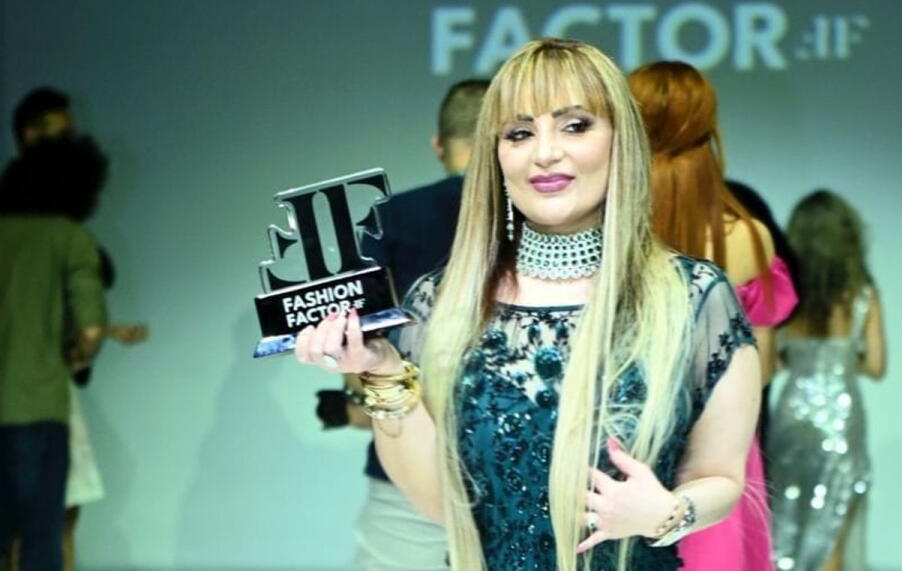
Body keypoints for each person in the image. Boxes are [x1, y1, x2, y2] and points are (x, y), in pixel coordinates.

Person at [292, 38, 762, 571]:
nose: (544, 153)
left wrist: (668, 514)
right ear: (496, 156)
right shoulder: (441, 304)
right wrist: (380, 370)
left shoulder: (693, 297)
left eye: (575, 125)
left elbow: (721, 477)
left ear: (622, 140)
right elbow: (442, 505)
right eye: (519, 133)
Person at [628, 61, 798, 571]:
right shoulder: (747, 237)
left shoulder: (609, 235)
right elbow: (759, 370)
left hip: (627, 440)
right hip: (718, 454)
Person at [334, 78, 488, 570]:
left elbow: (358, 332)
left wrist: (362, 403)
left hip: (409, 452)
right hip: (517, 465)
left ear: (439, 144)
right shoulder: (538, 217)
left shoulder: (392, 218)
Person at [0, 136, 108, 571]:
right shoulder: (68, 238)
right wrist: (75, 354)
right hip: (36, 408)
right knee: (40, 543)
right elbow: (91, 330)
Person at [767, 190, 887, 571]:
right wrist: (844, 358)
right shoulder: (862, 294)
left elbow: (771, 361)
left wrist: (800, 356)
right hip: (841, 420)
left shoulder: (786, 292)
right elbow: (877, 366)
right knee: (831, 536)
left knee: (785, 528)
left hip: (792, 417)